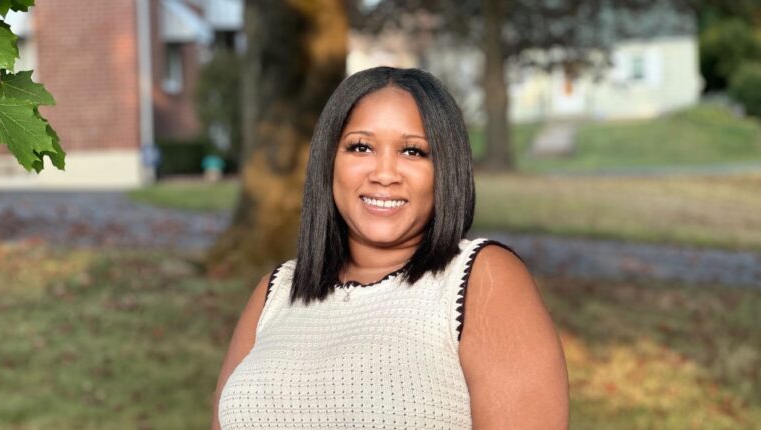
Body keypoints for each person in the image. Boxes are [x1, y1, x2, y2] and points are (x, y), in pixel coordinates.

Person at [212, 66, 568, 429]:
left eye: (413, 151)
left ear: (446, 169)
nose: (384, 174)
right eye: (361, 147)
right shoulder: (276, 292)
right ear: (329, 161)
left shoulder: (481, 278)